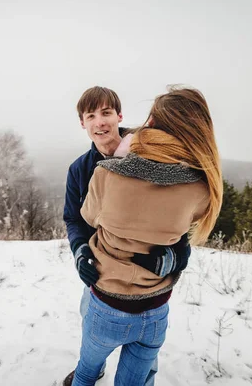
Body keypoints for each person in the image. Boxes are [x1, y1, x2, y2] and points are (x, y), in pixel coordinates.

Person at [67, 85, 223, 386]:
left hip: (121, 297)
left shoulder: (112, 170)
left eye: (106, 113)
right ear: (83, 123)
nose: (100, 122)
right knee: (99, 340)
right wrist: (80, 250)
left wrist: (178, 255)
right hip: (113, 285)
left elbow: (176, 233)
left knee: (102, 363)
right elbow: (74, 219)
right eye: (91, 116)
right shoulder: (80, 170)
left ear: (120, 116)